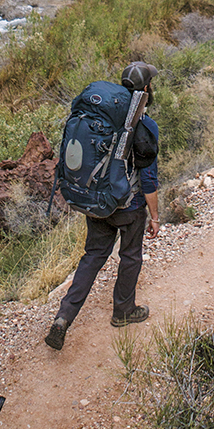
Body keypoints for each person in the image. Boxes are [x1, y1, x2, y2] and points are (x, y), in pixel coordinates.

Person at [45, 62, 160, 350]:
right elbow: (148, 177)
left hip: (96, 201)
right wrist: (155, 217)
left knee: (92, 258)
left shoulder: (106, 116)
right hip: (128, 206)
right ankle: (123, 311)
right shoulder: (144, 126)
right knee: (130, 256)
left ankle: (63, 317)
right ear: (146, 89)